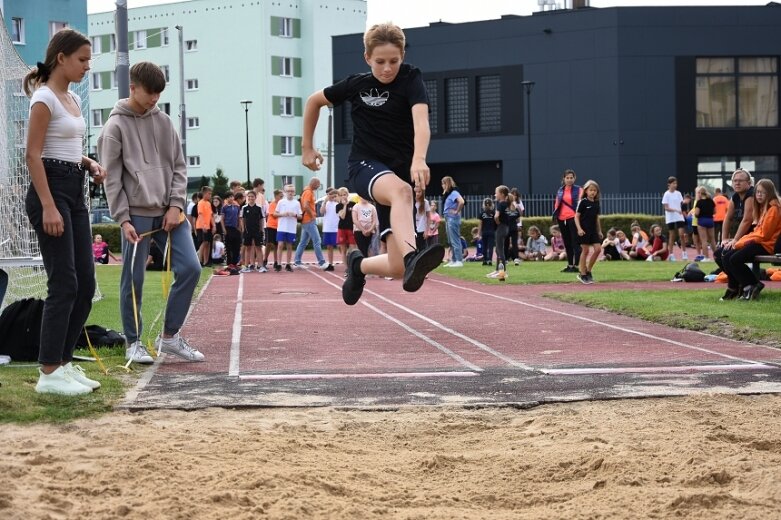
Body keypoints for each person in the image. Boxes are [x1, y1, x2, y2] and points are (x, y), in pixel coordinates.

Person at [301, 22, 445, 305]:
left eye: (394, 61)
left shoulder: (411, 78)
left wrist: (419, 159)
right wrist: (307, 147)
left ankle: (358, 266)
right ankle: (413, 256)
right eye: (380, 62)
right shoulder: (357, 84)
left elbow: (422, 122)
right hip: (364, 167)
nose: (387, 68)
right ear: (367, 58)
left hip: (398, 174)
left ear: (403, 55)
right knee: (402, 192)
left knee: (398, 267)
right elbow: (313, 101)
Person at [99, 61, 205, 365]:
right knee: (133, 279)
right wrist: (122, 218)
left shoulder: (164, 122)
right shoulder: (115, 127)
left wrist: (175, 205)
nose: (154, 99)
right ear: (132, 88)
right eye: (149, 93)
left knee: (191, 269)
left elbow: (180, 167)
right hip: (136, 214)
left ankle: (170, 337)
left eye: (159, 93)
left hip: (170, 214)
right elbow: (113, 177)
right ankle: (133, 342)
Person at [24, 28, 107, 395]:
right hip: (52, 191)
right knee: (64, 284)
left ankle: (64, 362)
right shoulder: (44, 98)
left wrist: (88, 162)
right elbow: (33, 154)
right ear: (62, 58)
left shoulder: (70, 97)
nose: (87, 66)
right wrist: (47, 206)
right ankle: (48, 371)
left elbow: (65, 143)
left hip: (73, 188)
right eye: (83, 60)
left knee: (86, 285)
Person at [720, 179, 781, 301]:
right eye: (757, 192)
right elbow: (757, 232)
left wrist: (740, 243)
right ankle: (742, 286)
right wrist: (739, 241)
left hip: (768, 245)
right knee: (725, 256)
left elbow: (764, 235)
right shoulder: (763, 207)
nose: (759, 195)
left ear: (769, 193)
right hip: (761, 242)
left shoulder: (773, 209)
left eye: (762, 193)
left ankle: (751, 285)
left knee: (734, 259)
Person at [716, 168, 756, 275]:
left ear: (748, 183)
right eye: (734, 180)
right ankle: (737, 283)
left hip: (754, 237)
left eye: (740, 180)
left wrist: (735, 240)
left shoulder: (751, 195)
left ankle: (750, 283)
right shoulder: (735, 197)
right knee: (718, 254)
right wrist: (724, 239)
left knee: (729, 256)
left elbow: (747, 220)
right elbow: (728, 218)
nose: (737, 183)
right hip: (744, 238)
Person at [293, 177, 329, 269]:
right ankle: (321, 262)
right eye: (318, 184)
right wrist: (312, 215)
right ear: (314, 183)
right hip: (309, 220)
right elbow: (305, 205)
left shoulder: (307, 191)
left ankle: (297, 261)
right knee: (317, 241)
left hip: (306, 220)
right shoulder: (308, 192)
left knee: (303, 242)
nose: (318, 186)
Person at [553, 169, 582, 273]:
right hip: (561, 219)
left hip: (573, 218)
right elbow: (557, 203)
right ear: (564, 179)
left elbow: (581, 204)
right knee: (567, 243)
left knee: (575, 242)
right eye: (567, 178)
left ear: (574, 178)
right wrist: (555, 216)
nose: (569, 180)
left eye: (571, 178)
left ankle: (577, 266)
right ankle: (570, 265)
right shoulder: (560, 190)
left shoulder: (579, 190)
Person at [574, 180, 603, 284]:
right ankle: (582, 274)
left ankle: (588, 270)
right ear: (586, 190)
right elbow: (576, 217)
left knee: (598, 249)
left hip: (593, 230)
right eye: (591, 190)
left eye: (595, 190)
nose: (593, 192)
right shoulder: (583, 202)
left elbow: (597, 218)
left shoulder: (596, 203)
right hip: (584, 230)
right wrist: (579, 229)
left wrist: (599, 231)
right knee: (585, 251)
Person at [488, 185, 518, 281]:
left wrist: (498, 223)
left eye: (496, 193)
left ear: (501, 194)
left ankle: (503, 271)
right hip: (505, 228)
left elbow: (496, 216)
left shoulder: (501, 204)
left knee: (500, 250)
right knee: (498, 249)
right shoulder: (507, 203)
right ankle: (498, 270)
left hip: (501, 228)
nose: (495, 194)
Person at [274, 184, 302, 271]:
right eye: (288, 191)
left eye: (292, 191)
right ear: (285, 192)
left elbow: (300, 216)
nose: (290, 192)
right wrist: (283, 214)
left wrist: (295, 214)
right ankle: (278, 264)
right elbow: (274, 214)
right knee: (280, 245)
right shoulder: (281, 202)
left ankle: (288, 264)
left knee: (289, 246)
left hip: (291, 228)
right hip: (282, 227)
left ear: (294, 192)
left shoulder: (297, 203)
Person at [441, 176, 465, 267]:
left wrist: (456, 211)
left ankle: (459, 260)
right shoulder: (448, 194)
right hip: (448, 218)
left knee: (455, 239)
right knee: (450, 240)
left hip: (452, 218)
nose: (442, 186)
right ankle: (454, 259)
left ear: (447, 184)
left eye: (443, 183)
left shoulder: (454, 192)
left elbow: (461, 202)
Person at [239, 190, 265, 272]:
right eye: (249, 196)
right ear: (247, 198)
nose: (250, 198)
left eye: (252, 196)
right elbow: (242, 219)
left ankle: (260, 266)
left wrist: (261, 229)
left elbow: (261, 219)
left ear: (255, 198)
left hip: (257, 231)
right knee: (248, 248)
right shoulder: (244, 208)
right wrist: (243, 229)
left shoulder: (259, 208)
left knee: (258, 248)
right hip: (247, 231)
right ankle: (247, 266)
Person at [662, 176, 685, 261]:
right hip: (670, 218)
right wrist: (675, 210)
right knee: (672, 235)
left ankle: (684, 253)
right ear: (669, 184)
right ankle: (671, 254)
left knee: (681, 235)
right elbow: (666, 207)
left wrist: (682, 211)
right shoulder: (666, 194)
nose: (675, 185)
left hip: (679, 217)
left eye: (676, 183)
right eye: (673, 183)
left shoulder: (678, 193)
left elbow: (682, 204)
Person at [694, 186, 717, 261]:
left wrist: (695, 215)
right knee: (712, 240)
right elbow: (715, 211)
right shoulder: (711, 201)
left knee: (704, 240)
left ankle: (706, 257)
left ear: (700, 193)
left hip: (702, 221)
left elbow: (697, 213)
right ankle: (717, 256)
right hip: (710, 220)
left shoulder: (699, 202)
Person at [335, 187, 357, 267]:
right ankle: (346, 268)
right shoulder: (338, 206)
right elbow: (342, 216)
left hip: (351, 229)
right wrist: (344, 206)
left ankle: (352, 266)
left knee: (352, 249)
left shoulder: (353, 204)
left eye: (344, 194)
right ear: (339, 196)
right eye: (341, 195)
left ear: (347, 195)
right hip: (342, 229)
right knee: (343, 250)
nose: (343, 196)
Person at [221, 192, 242, 269]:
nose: (231, 198)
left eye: (232, 197)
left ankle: (235, 263)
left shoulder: (237, 207)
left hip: (235, 228)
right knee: (229, 247)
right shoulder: (225, 207)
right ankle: (229, 263)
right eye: (229, 197)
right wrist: (224, 229)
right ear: (226, 198)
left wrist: (239, 227)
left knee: (236, 247)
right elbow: (222, 219)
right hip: (228, 228)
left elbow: (239, 217)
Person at [264, 189, 283, 271]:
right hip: (271, 226)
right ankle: (265, 259)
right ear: (276, 196)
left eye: (282, 196)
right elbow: (274, 215)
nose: (282, 198)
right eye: (280, 196)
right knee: (269, 243)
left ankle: (276, 261)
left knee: (276, 245)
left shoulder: (282, 204)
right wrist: (283, 214)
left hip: (279, 227)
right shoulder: (272, 204)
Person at [195, 186, 215, 266]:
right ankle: (199, 260)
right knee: (204, 242)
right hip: (201, 226)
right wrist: (203, 225)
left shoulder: (208, 203)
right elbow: (200, 215)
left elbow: (211, 215)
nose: (210, 195)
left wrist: (214, 225)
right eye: (209, 194)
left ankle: (206, 261)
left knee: (208, 243)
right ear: (204, 194)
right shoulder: (200, 203)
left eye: (211, 194)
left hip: (208, 226)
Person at [320, 187, 339, 271]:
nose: (331, 196)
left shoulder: (338, 203)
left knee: (340, 247)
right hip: (328, 228)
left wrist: (338, 200)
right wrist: (325, 202)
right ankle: (330, 264)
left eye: (332, 194)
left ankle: (347, 262)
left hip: (337, 228)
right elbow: (322, 211)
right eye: (329, 194)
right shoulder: (325, 203)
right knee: (329, 247)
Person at [477, 197, 496, 266]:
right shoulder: (494, 213)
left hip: (484, 232)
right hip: (492, 232)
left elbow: (480, 225)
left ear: (483, 205)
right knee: (490, 247)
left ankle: (484, 260)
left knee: (484, 246)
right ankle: (490, 260)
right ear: (492, 205)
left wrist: (479, 234)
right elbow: (496, 223)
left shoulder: (482, 214)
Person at [414, 184, 431, 251]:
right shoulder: (411, 202)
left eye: (419, 192)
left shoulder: (425, 202)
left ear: (422, 192)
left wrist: (427, 230)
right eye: (416, 192)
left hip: (422, 229)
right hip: (413, 230)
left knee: (422, 249)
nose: (417, 194)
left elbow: (429, 217)